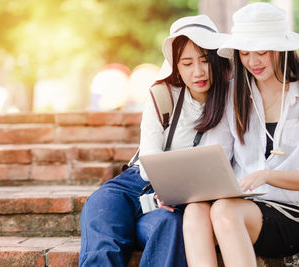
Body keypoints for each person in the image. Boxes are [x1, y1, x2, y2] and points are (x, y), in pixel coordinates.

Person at [182, 3, 299, 267]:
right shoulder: (233, 93)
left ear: (281, 49)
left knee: (224, 211)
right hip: (237, 205)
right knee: (195, 211)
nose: (252, 62)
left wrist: (267, 177)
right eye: (244, 53)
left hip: (290, 214)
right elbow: (215, 156)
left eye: (262, 52)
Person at [79, 14, 231, 267]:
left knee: (169, 226)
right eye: (187, 63)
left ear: (216, 59)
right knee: (104, 225)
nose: (198, 71)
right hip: (132, 187)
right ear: (176, 66)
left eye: (205, 60)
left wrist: (175, 193)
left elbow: (214, 167)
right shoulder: (161, 95)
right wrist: (165, 187)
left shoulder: (230, 104)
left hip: (179, 201)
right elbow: (149, 157)